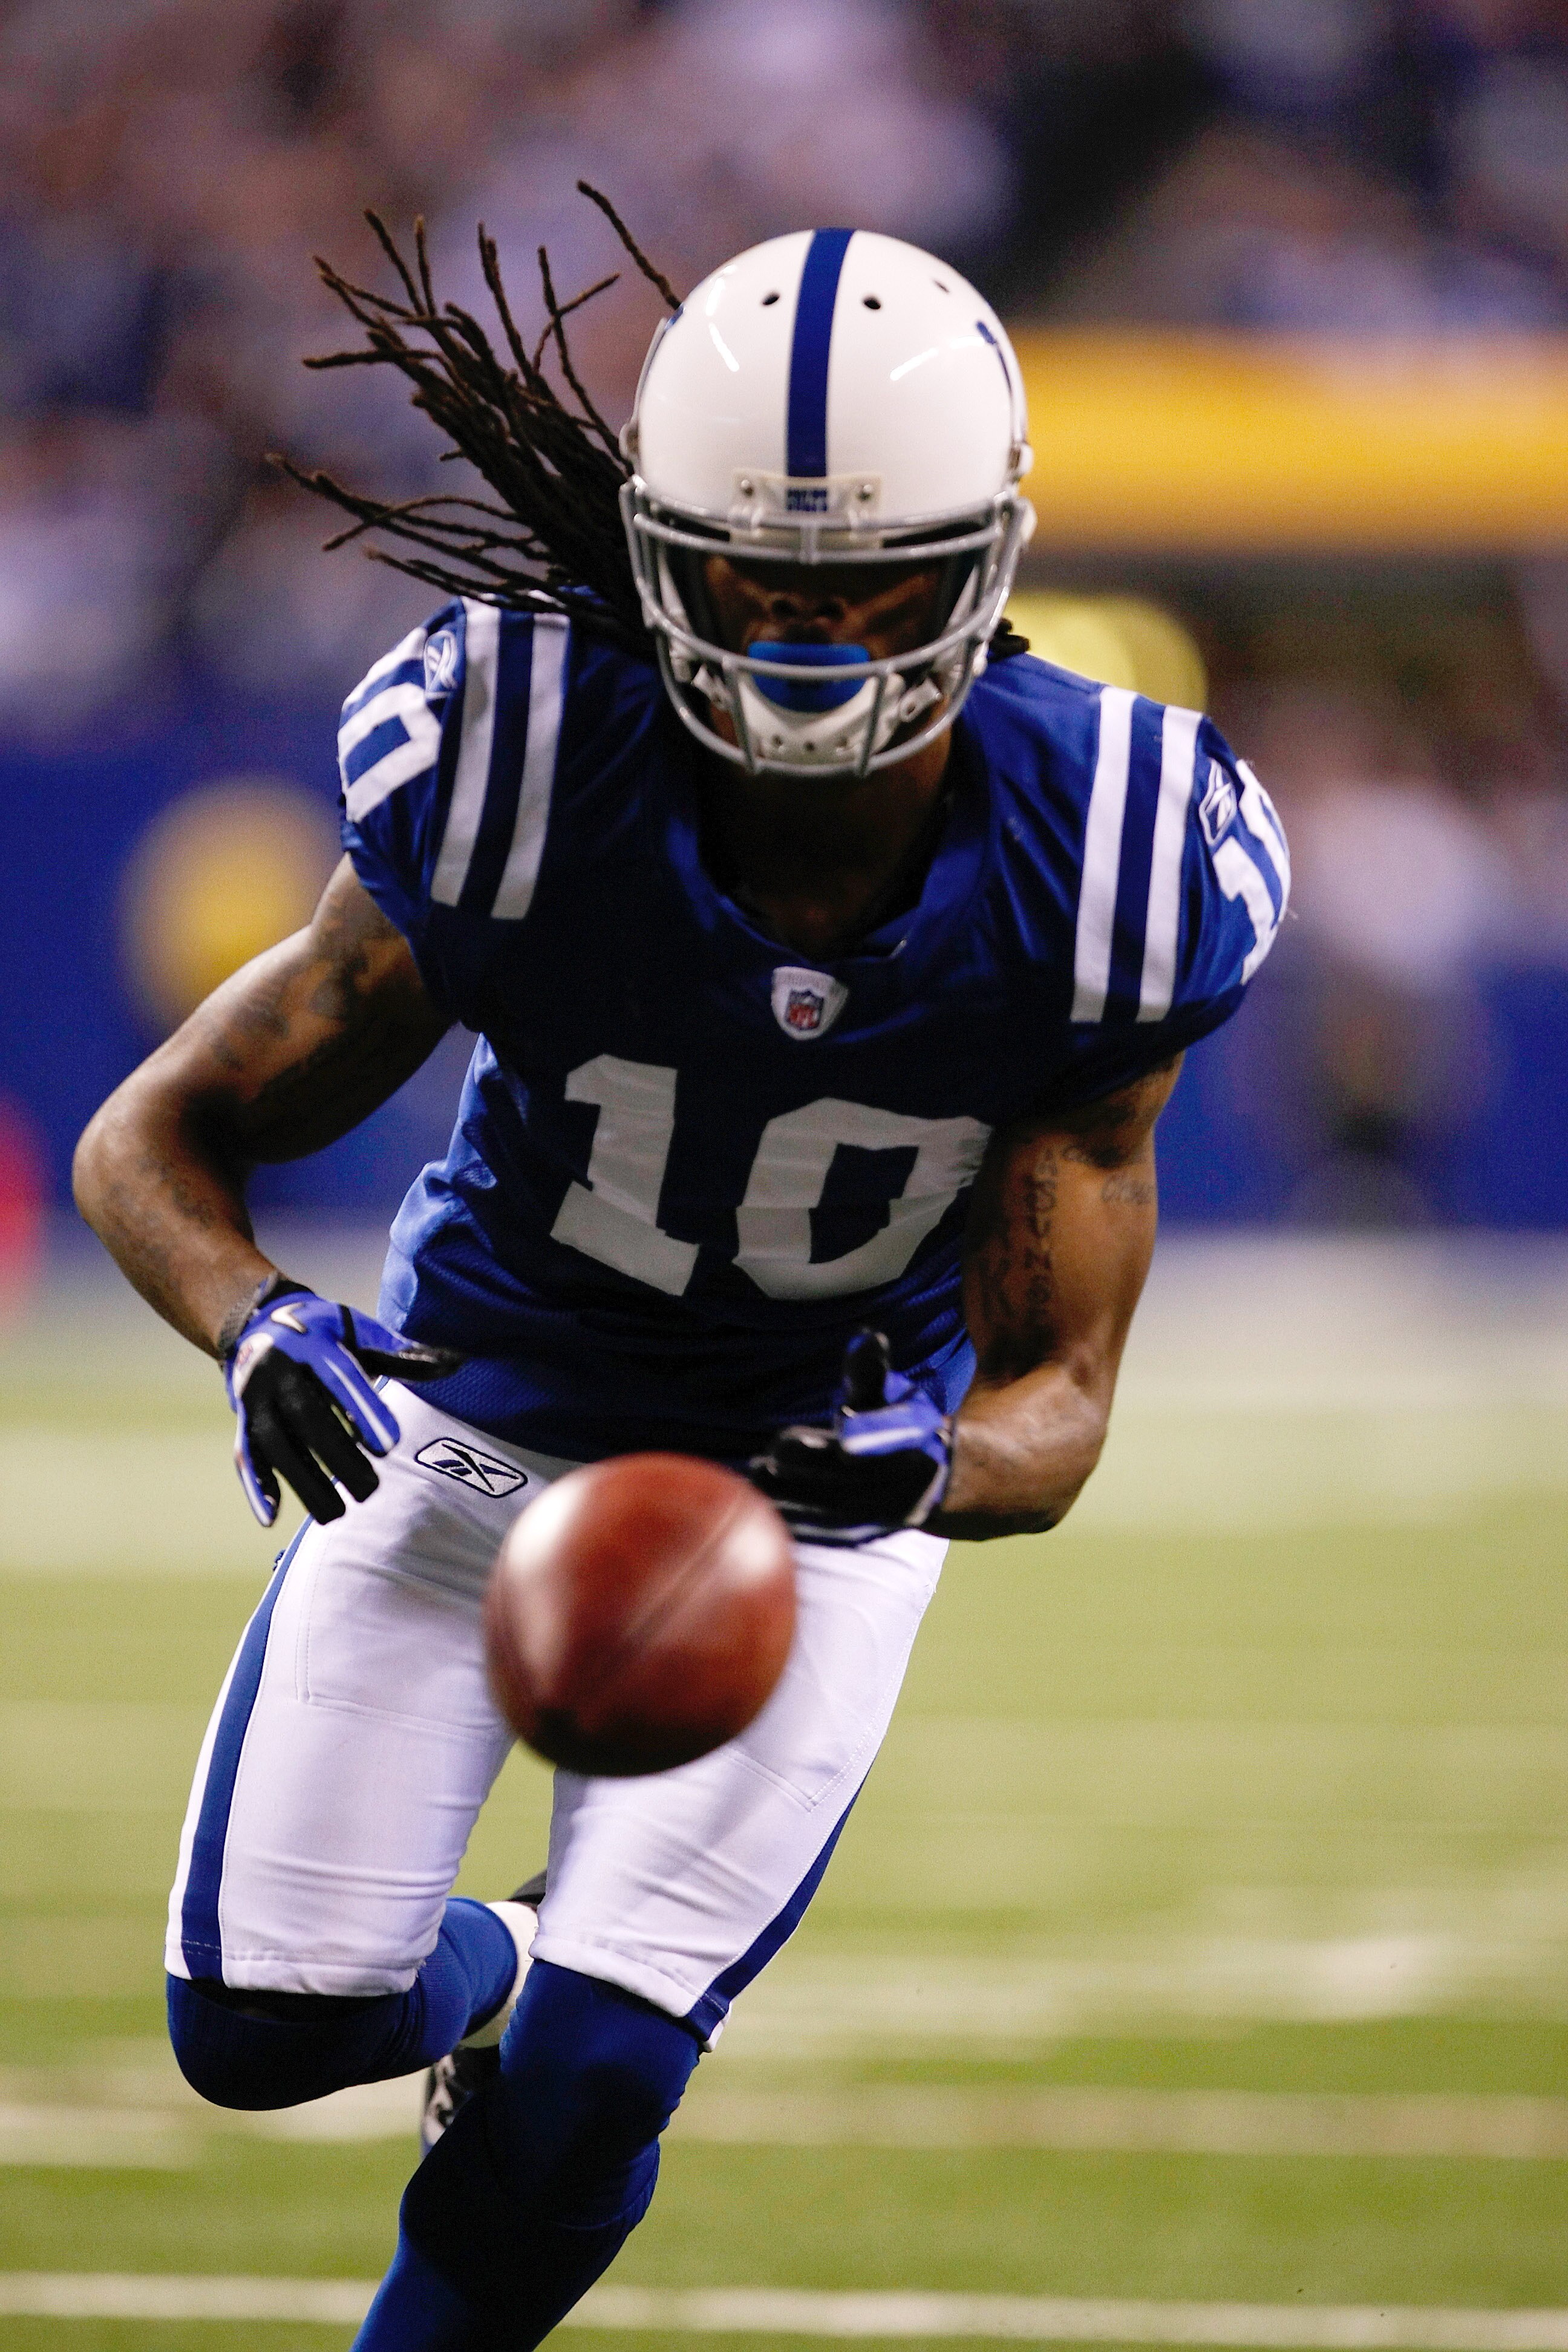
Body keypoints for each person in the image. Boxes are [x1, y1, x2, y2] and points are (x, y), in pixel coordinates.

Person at [73, 212, 1289, 2351]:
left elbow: (1064, 1401)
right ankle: (517, 1981)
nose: (813, 634)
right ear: (658, 550)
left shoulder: (1104, 859)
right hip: (471, 1437)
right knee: (260, 2029)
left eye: (872, 582)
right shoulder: (526, 764)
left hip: (794, 1503)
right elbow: (152, 1136)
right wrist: (258, 1319)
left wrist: (911, 1469)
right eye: (756, 577)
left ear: (991, 557)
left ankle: (560, 2041)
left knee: (605, 2082)